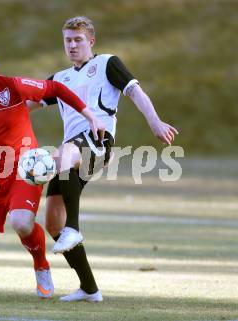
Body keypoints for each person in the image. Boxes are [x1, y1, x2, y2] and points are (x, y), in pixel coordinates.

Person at [27, 16, 178, 302]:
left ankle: (75, 228)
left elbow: (136, 92)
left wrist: (155, 121)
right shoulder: (60, 79)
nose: (72, 45)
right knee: (52, 223)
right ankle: (89, 289)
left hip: (99, 140)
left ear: (91, 41)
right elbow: (28, 104)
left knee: (66, 155)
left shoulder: (107, 63)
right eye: (68, 40)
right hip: (73, 151)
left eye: (78, 40)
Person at [0, 43, 104, 299]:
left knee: (20, 222)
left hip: (26, 167)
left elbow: (56, 88)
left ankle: (41, 265)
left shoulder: (12, 86)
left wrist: (90, 116)